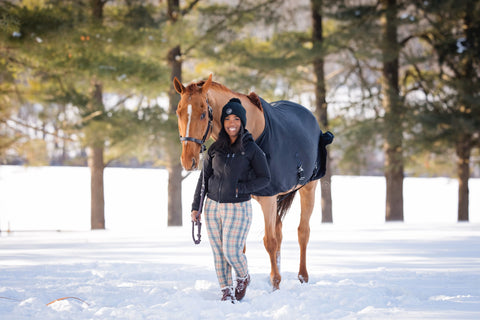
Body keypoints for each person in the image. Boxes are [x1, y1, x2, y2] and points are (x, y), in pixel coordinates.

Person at [191, 98, 271, 303]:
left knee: (231, 251)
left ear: (242, 122)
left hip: (238, 207)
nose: (231, 123)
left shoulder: (252, 149)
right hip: (212, 207)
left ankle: (243, 277)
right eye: (227, 119)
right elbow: (204, 179)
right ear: (223, 123)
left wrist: (241, 188)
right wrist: (196, 207)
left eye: (236, 118)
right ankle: (225, 290)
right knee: (218, 253)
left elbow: (265, 178)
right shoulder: (215, 148)